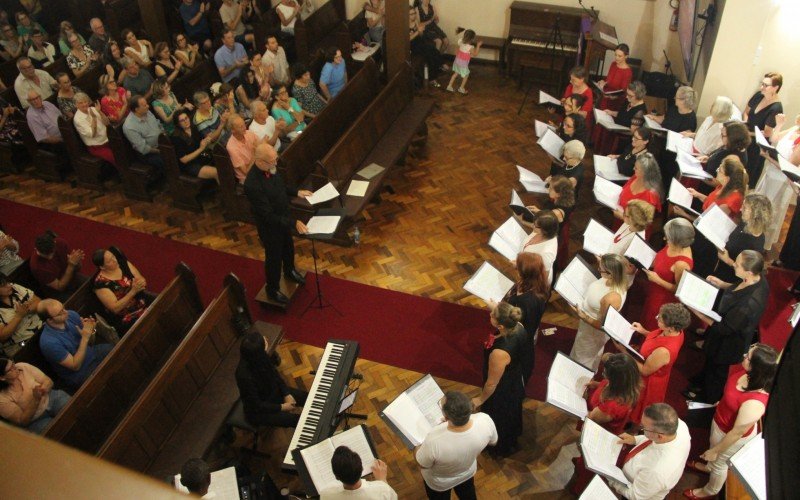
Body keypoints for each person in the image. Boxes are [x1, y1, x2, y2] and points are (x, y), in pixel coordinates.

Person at [684, 343, 778, 500]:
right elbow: (731, 393)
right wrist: (723, 403)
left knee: (720, 464)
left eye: (748, 357)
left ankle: (710, 489)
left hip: (730, 436)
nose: (744, 356)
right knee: (713, 452)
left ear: (757, 368)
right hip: (720, 422)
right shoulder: (748, 373)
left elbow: (737, 432)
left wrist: (716, 450)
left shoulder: (755, 403)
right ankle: (709, 467)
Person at [685, 250, 770, 404]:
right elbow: (739, 288)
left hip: (729, 343)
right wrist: (723, 284)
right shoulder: (756, 278)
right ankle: (701, 380)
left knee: (717, 372)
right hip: (723, 333)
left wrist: (697, 311)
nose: (733, 266)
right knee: (710, 361)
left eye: (737, 265)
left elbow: (724, 328)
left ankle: (707, 397)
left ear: (749, 272)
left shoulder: (748, 305)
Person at [244, 143, 312, 303]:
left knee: (288, 247)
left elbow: (280, 186)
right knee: (274, 258)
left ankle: (289, 271)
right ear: (260, 162)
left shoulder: (270, 168)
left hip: (283, 219)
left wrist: (296, 192)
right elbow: (267, 216)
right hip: (270, 228)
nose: (276, 163)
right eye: (272, 161)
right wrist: (293, 222)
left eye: (275, 159)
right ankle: (272, 288)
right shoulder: (252, 184)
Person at [416, 391, 497, 500]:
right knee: (467, 494)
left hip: (440, 484)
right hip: (467, 472)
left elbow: (423, 465)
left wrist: (417, 447)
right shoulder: (484, 419)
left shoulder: (433, 439)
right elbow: (493, 441)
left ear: (445, 415)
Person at [675, 156, 748, 277]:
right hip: (703, 227)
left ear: (727, 178)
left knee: (698, 265)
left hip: (709, 238)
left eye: (720, 169)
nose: (717, 170)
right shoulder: (723, 186)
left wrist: (685, 214)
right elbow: (712, 203)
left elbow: (709, 222)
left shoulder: (733, 199)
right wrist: (698, 195)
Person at [619, 303, 690, 424]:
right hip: (650, 365)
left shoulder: (664, 351)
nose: (656, 318)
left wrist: (624, 352)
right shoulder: (677, 331)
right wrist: (643, 331)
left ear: (671, 328)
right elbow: (657, 338)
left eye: (660, 319)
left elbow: (645, 370)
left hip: (648, 382)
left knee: (638, 410)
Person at [472, 302, 524, 456]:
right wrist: (497, 308)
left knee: (498, 417)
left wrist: (480, 400)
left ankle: (499, 446)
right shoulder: (519, 325)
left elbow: (492, 383)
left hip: (503, 388)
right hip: (514, 376)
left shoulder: (500, 353)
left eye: (492, 314)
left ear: (500, 326)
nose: (489, 315)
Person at [608, 403, 691, 499]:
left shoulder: (656, 471)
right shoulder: (679, 426)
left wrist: (611, 479)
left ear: (660, 436)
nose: (641, 428)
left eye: (644, 428)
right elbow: (652, 438)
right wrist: (635, 439)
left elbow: (634, 495)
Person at [569, 254, 628, 372]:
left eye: (601, 269)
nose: (598, 270)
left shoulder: (611, 298)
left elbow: (603, 326)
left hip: (592, 332)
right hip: (586, 327)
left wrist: (584, 317)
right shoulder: (616, 278)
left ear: (611, 273)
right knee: (587, 355)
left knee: (582, 360)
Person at [235, 331, 308, 426]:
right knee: (297, 421)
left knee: (307, 397)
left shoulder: (259, 356)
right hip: (259, 411)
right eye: (263, 341)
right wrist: (282, 407)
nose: (266, 340)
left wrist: (286, 393)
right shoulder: (243, 376)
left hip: (273, 393)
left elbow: (275, 374)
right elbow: (257, 405)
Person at [38, 298, 113, 390]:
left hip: (91, 353)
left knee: (114, 350)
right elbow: (75, 366)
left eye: (63, 308)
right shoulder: (49, 342)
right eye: (60, 313)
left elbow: (90, 343)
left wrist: (91, 331)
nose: (66, 312)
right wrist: (85, 337)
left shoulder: (71, 315)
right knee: (104, 380)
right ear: (49, 320)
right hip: (79, 373)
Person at [639, 218, 694, 330]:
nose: (664, 238)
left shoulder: (682, 264)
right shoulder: (674, 244)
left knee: (652, 325)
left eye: (668, 237)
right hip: (654, 290)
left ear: (677, 241)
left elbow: (680, 290)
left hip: (662, 299)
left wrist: (658, 280)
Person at [502, 252, 548, 385]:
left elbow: (519, 325)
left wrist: (498, 309)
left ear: (524, 272)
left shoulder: (529, 301)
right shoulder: (530, 282)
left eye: (518, 265)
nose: (515, 266)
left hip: (518, 340)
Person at [0, 357, 70, 434]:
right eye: (11, 369)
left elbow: (48, 381)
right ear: (2, 377)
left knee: (69, 408)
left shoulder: (22, 366)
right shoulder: (2, 397)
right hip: (34, 420)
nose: (15, 367)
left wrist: (42, 390)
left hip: (49, 398)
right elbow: (22, 420)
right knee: (54, 431)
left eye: (13, 363)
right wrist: (35, 399)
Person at [714, 193, 770, 284]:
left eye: (744, 208)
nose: (740, 209)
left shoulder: (755, 243)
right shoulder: (746, 223)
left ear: (755, 213)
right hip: (721, 269)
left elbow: (747, 273)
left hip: (730, 279)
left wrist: (728, 260)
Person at [92, 248, 149, 334]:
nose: (115, 260)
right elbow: (115, 308)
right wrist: (133, 292)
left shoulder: (123, 263)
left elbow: (142, 280)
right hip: (127, 317)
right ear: (102, 267)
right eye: (110, 261)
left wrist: (141, 283)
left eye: (113, 257)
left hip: (142, 302)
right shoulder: (101, 284)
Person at [743, 72, 783, 188]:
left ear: (775, 88)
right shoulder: (758, 95)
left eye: (766, 85)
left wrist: (747, 132)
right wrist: (745, 123)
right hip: (746, 139)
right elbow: (746, 112)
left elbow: (766, 133)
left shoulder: (776, 108)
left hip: (756, 148)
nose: (762, 87)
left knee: (747, 180)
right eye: (762, 84)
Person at [586, 353, 641, 434]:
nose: (603, 374)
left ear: (615, 380)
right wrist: (596, 384)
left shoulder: (611, 406)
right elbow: (605, 356)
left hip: (593, 431)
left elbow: (590, 417)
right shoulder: (627, 386)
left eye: (605, 373)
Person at [692, 120, 750, 196]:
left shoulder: (734, 158)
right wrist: (708, 158)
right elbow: (719, 157)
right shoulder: (730, 145)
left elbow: (719, 182)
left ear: (732, 138)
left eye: (723, 135)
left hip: (709, 190)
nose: (721, 136)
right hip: (704, 180)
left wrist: (696, 173)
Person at [320, 446, 397, 499]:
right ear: (362, 469)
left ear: (336, 477)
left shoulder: (326, 494)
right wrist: (382, 480)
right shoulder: (383, 490)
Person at [29, 230, 84, 301]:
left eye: (52, 252)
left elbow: (78, 269)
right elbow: (60, 287)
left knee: (93, 284)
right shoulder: (36, 266)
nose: (50, 257)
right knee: (77, 301)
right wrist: (71, 266)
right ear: (36, 249)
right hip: (55, 291)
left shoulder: (60, 243)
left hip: (71, 276)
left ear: (54, 243)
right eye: (46, 255)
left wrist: (77, 261)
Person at [0, 274, 42, 357]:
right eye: (3, 285)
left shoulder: (14, 287)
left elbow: (38, 301)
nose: (9, 285)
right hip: (21, 345)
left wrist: (26, 310)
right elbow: (2, 336)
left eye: (8, 282)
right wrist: (19, 316)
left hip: (40, 328)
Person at [614, 152, 663, 223]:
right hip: (619, 214)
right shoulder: (636, 177)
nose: (633, 169)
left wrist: (623, 217)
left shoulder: (651, 196)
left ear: (645, 172)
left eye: (636, 168)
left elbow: (642, 222)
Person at [171, 110, 219, 183]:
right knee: (216, 172)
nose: (186, 121)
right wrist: (201, 149)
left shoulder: (193, 128)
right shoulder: (176, 137)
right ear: (178, 124)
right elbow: (184, 159)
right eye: (182, 120)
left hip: (200, 157)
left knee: (222, 161)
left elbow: (202, 142)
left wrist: (206, 140)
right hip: (189, 165)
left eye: (186, 118)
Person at [73, 92, 117, 168]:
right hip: (97, 146)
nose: (84, 104)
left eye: (85, 101)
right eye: (81, 103)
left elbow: (107, 123)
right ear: (76, 105)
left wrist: (99, 111)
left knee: (123, 150)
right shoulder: (78, 119)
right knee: (116, 158)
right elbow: (92, 134)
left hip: (108, 139)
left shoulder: (93, 109)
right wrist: (93, 118)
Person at [122, 94, 165, 172]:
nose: (148, 106)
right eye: (144, 105)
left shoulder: (147, 112)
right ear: (136, 109)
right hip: (149, 153)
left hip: (162, 143)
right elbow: (143, 148)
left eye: (147, 104)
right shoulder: (129, 126)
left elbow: (158, 124)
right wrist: (161, 150)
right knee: (167, 160)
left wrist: (164, 135)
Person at [519, 210, 559, 285]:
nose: (533, 226)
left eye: (535, 225)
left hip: (531, 279)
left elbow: (544, 277)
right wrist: (523, 222)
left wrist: (519, 266)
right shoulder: (541, 232)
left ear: (545, 230)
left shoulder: (546, 253)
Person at [25, 89, 66, 156]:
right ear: (29, 102)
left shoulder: (47, 104)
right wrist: (62, 139)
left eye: (37, 98)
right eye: (32, 100)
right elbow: (44, 138)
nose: (36, 101)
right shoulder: (31, 116)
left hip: (64, 133)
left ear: (40, 97)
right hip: (52, 143)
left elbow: (62, 117)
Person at [409, 7, 443, 87]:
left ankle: (433, 77)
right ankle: (440, 65)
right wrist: (418, 32)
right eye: (411, 14)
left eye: (414, 13)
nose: (414, 15)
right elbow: (409, 39)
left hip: (420, 42)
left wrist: (420, 31)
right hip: (413, 45)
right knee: (431, 52)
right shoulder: (404, 24)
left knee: (433, 52)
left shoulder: (416, 21)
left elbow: (420, 35)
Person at [595, 43, 632, 111]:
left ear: (626, 56)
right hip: (605, 97)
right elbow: (608, 80)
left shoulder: (627, 72)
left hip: (615, 103)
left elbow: (623, 92)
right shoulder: (613, 64)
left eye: (619, 56)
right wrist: (603, 82)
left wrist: (613, 97)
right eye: (615, 55)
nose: (616, 58)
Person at [226, 114, 260, 183]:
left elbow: (260, 145)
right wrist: (254, 154)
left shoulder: (248, 133)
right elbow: (246, 172)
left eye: (244, 124)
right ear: (233, 130)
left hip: (258, 167)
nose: (245, 128)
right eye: (241, 127)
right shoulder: (232, 147)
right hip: (248, 178)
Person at [446, 29, 481, 95]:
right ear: (472, 39)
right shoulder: (470, 47)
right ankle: (461, 88)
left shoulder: (461, 41)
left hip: (457, 62)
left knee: (455, 73)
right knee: (466, 75)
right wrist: (478, 46)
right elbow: (475, 54)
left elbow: (463, 50)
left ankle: (449, 86)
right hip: (463, 64)